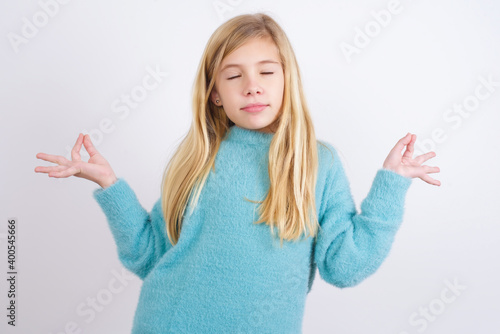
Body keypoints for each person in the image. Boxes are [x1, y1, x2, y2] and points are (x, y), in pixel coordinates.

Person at [34, 12, 440, 334]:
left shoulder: (316, 164)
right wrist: (110, 185)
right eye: (233, 75)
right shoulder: (196, 161)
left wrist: (391, 186)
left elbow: (345, 267)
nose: (252, 86)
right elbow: (149, 257)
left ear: (287, 80)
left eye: (266, 71)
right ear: (215, 93)